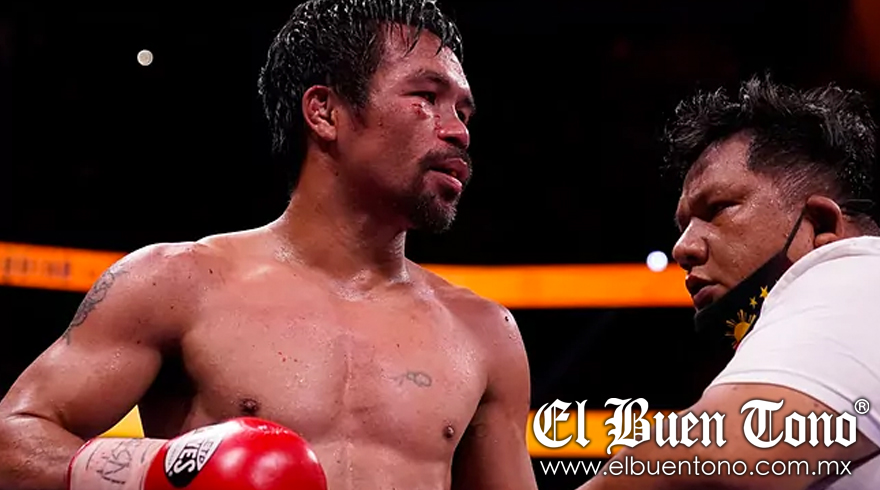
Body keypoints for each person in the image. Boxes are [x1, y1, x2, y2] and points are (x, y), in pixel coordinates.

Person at [0, 1, 538, 489]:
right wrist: (160, 472)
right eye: (426, 97)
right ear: (325, 112)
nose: (459, 132)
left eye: (463, 112)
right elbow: (12, 441)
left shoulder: (484, 332)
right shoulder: (178, 284)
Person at [579, 75, 880, 489]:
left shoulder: (859, 276)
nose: (682, 248)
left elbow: (717, 459)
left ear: (821, 225)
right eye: (684, 226)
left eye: (718, 208)